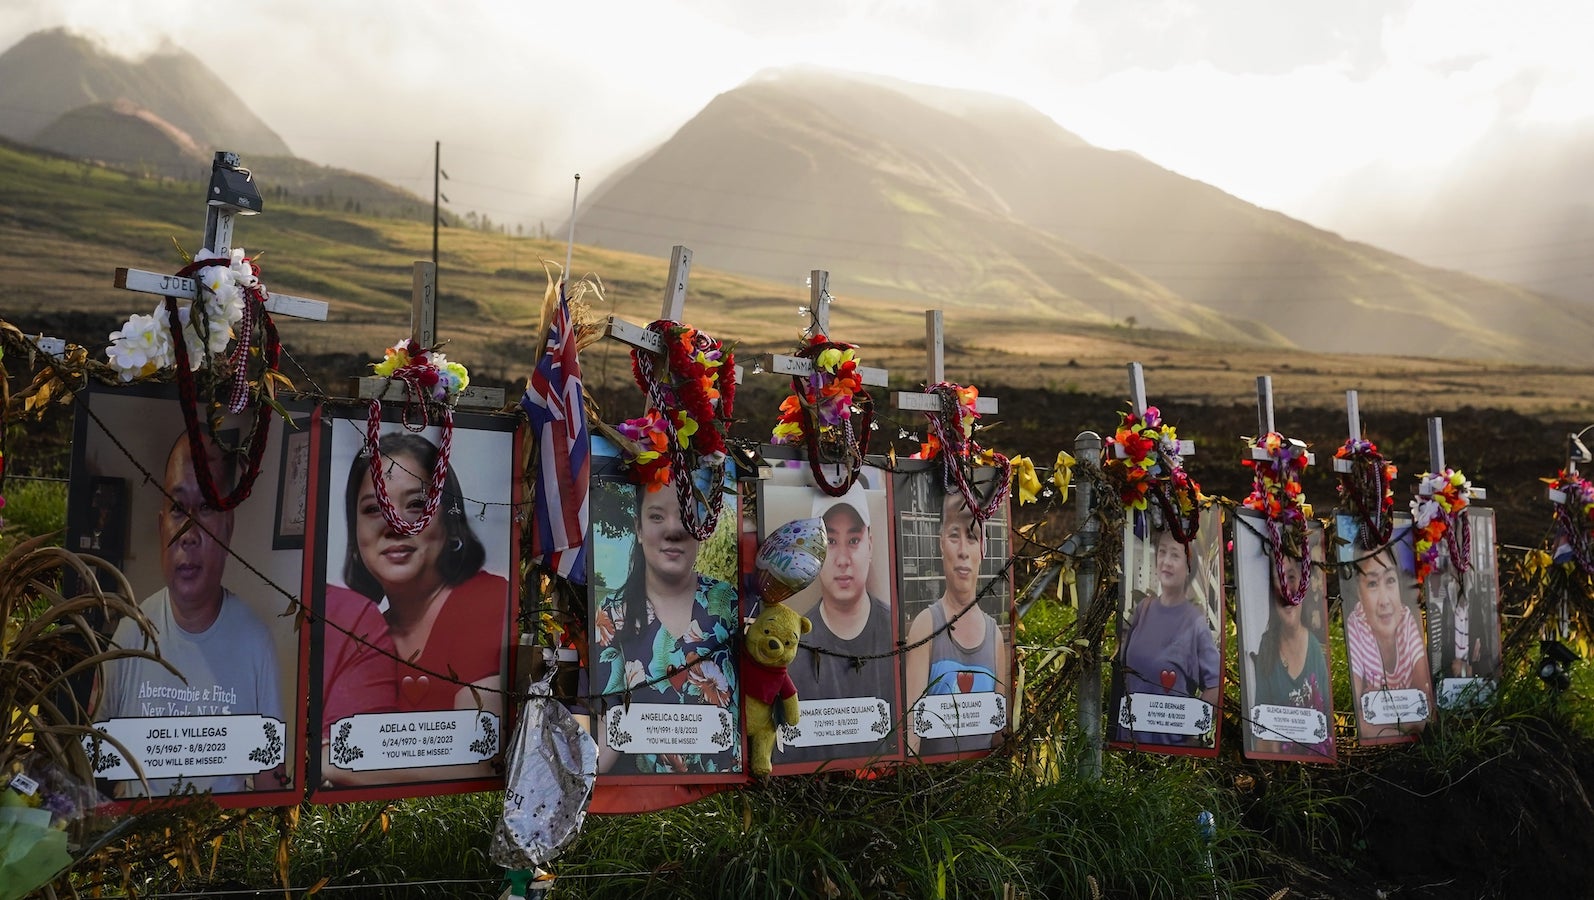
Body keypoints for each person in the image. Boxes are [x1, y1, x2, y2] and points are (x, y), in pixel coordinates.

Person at [96, 433, 284, 795]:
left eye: (208, 508)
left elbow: (271, 784)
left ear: (228, 529)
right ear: (161, 523)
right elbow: (94, 774)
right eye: (178, 508)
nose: (189, 533)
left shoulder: (255, 643)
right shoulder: (129, 634)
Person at [331, 431, 509, 723]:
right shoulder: (366, 635)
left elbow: (477, 750)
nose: (395, 524)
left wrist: (335, 767)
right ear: (355, 532)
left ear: (451, 523)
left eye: (416, 504)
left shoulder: (487, 599)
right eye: (374, 508)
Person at [594, 487, 738, 775]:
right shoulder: (611, 613)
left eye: (685, 518)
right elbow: (607, 721)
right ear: (638, 528)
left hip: (724, 797)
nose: (672, 531)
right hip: (645, 804)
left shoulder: (729, 604)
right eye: (657, 517)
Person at [783, 481, 896, 763]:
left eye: (854, 540)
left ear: (870, 544)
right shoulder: (790, 650)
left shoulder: (899, 634)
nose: (843, 559)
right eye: (830, 541)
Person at [904, 492, 1009, 756]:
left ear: (982, 548)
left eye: (972, 537)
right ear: (941, 544)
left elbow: (999, 732)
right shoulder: (926, 625)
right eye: (954, 535)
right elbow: (912, 732)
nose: (962, 551)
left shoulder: (994, 634)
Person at [1113, 524, 1221, 746]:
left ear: (1188, 566)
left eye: (1175, 555)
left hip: (1168, 751)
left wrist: (1192, 729)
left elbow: (1216, 685)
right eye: (1162, 551)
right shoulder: (1142, 609)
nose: (1166, 561)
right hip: (1127, 744)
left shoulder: (1194, 623)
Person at [1343, 546, 1433, 738]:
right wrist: (1408, 727)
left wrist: (1381, 712)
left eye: (1390, 580)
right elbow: (1359, 719)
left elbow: (1427, 704)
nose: (1384, 600)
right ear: (1359, 592)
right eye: (1373, 584)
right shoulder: (1357, 624)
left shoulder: (1406, 619)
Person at [1248, 562, 1332, 757]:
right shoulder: (1267, 645)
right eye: (1279, 580)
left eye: (1292, 578)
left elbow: (1327, 721)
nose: (1286, 590)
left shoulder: (1317, 650)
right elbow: (1261, 727)